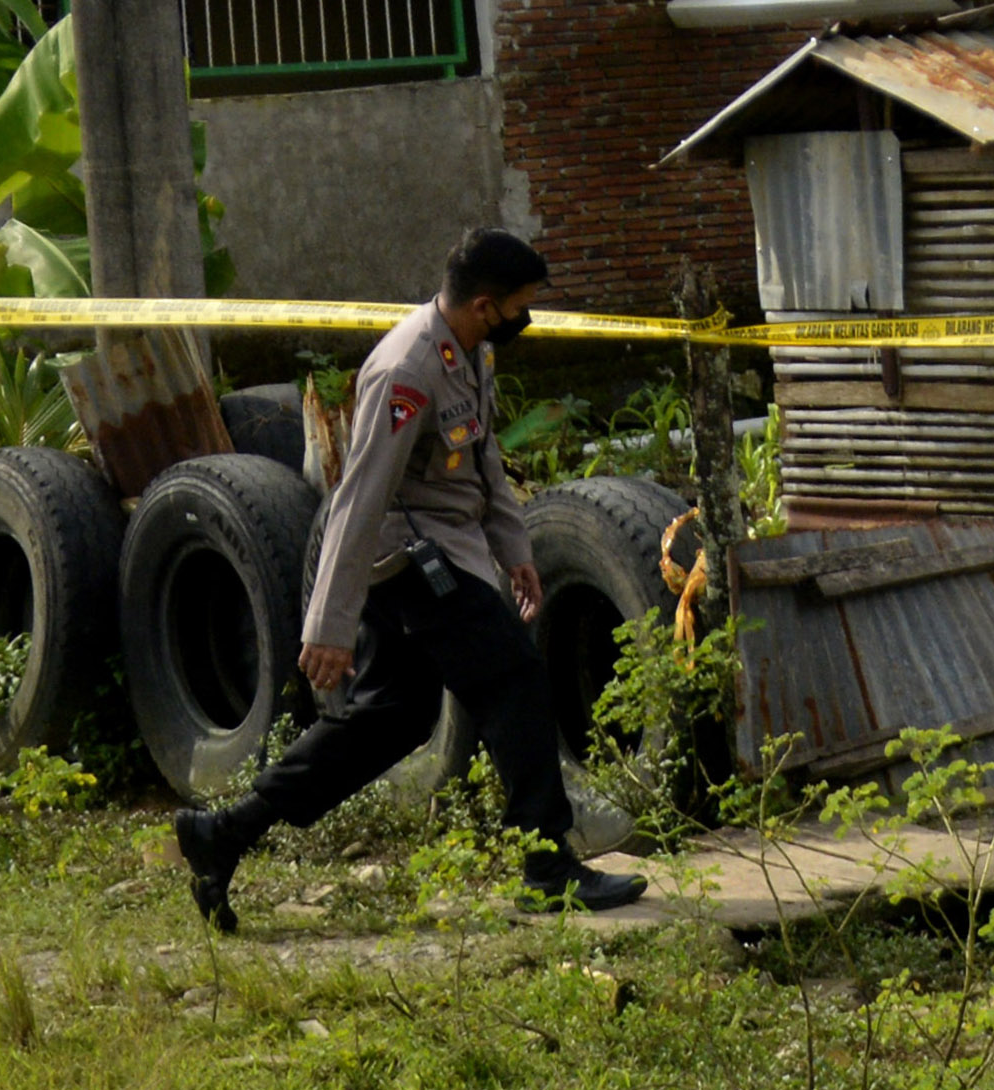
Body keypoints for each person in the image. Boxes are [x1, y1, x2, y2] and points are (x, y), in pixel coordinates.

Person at [172, 229, 648, 928]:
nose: (525, 318)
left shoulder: (471, 350)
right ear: (484, 305)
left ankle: (224, 833)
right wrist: (330, 624)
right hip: (410, 558)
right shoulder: (406, 370)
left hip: (444, 548)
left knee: (391, 717)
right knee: (515, 679)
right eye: (520, 305)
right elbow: (359, 497)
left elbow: (483, 458)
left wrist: (513, 547)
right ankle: (548, 867)